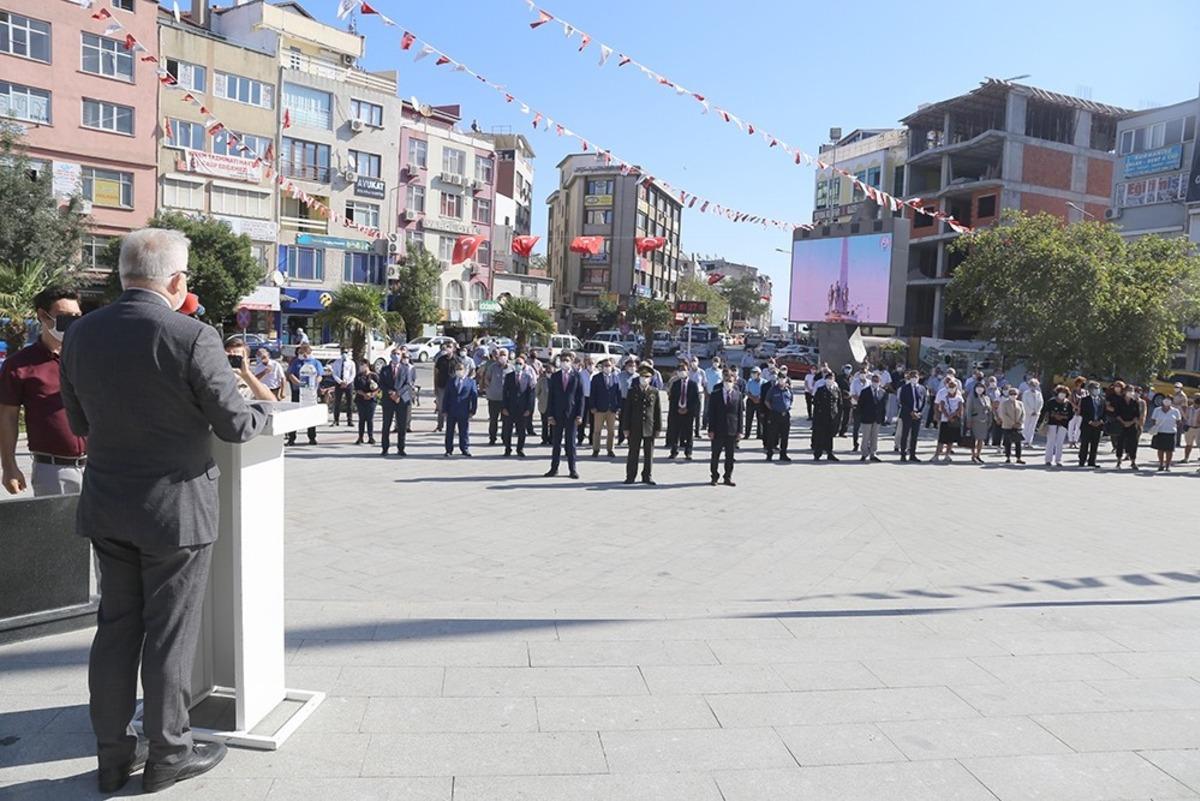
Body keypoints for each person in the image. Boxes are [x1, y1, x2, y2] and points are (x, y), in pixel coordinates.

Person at [59, 229, 269, 793]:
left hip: (108, 505)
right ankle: (169, 754)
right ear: (177, 281)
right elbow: (235, 424)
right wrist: (262, 412)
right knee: (169, 637)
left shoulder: (79, 334)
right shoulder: (192, 335)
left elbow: (79, 423)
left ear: (123, 275)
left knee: (115, 632)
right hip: (176, 513)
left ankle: (112, 757)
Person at [0, 285, 86, 496]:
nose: (72, 324)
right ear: (43, 316)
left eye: (77, 317)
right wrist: (9, 466)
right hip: (53, 471)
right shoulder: (19, 365)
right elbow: (8, 416)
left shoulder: (91, 357)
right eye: (65, 317)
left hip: (100, 467)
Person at [545, 351, 584, 479]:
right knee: (556, 443)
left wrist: (579, 415)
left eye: (567, 360)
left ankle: (573, 469)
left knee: (571, 443)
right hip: (557, 415)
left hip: (571, 415)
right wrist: (550, 415)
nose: (565, 362)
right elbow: (551, 397)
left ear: (571, 361)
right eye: (563, 360)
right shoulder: (555, 376)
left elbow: (580, 397)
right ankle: (554, 468)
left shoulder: (577, 376)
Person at [623, 362, 662, 485]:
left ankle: (647, 476)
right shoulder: (632, 391)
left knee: (648, 454)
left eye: (647, 377)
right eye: (642, 376)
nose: (644, 379)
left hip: (649, 427)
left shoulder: (654, 391)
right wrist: (625, 427)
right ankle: (630, 476)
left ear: (650, 379)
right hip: (635, 426)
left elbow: (657, 411)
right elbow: (627, 411)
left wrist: (658, 428)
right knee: (633, 452)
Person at [706, 367, 744, 485]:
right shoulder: (715, 394)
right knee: (715, 455)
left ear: (734, 381)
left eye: (730, 381)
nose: (728, 383)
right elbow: (711, 413)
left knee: (730, 456)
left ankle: (728, 477)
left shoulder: (738, 395)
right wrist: (711, 429)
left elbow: (740, 414)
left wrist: (740, 431)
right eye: (726, 380)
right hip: (718, 429)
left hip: (732, 430)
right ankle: (714, 477)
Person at [285, 343, 322, 446]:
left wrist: (315, 383)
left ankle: (312, 437)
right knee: (294, 415)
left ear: (309, 352)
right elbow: (290, 374)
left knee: (311, 415)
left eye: (305, 352)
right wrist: (299, 383)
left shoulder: (315, 362)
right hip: (298, 392)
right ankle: (292, 438)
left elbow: (320, 375)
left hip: (310, 393)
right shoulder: (296, 362)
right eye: (301, 352)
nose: (303, 355)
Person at [379, 350, 415, 457]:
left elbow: (408, 384)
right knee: (386, 424)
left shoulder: (405, 368)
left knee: (402, 425)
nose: (396, 356)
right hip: (388, 399)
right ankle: (385, 448)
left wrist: (398, 394)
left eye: (398, 354)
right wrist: (390, 393)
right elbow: (381, 383)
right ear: (390, 355)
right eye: (394, 354)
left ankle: (401, 448)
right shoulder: (385, 369)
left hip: (401, 400)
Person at [442, 359, 478, 457]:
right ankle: (449, 449)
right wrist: (444, 409)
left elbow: (474, 398)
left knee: (464, 431)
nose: (459, 371)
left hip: (464, 410)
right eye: (457, 369)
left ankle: (464, 448)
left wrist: (473, 411)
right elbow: (446, 396)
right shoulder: (451, 381)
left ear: (465, 370)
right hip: (451, 410)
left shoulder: (471, 382)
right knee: (450, 431)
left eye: (460, 369)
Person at [501, 354, 535, 457]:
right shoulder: (509, 376)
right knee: (507, 430)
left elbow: (531, 394)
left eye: (520, 363)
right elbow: (504, 393)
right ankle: (507, 449)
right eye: (516, 363)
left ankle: (520, 449)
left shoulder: (528, 377)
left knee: (521, 431)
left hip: (522, 409)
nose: (518, 365)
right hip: (510, 408)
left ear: (524, 365)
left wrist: (529, 409)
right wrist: (504, 407)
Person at [222, 338, 276, 402]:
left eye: (237, 358)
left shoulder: (253, 388)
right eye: (228, 358)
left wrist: (246, 374)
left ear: (247, 362)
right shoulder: (215, 383)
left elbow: (272, 403)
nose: (231, 361)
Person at [666, 361, 700, 460]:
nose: (682, 372)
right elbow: (672, 399)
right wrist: (677, 409)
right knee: (675, 432)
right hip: (677, 412)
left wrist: (688, 409)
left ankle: (688, 452)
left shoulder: (693, 384)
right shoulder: (675, 384)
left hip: (688, 412)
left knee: (688, 433)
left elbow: (695, 400)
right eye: (680, 370)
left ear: (688, 371)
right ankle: (674, 451)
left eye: (684, 370)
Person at [590, 358, 621, 457]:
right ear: (602, 367)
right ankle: (596, 449)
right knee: (597, 431)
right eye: (605, 366)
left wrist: (619, 407)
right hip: (599, 409)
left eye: (609, 365)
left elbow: (618, 393)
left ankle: (610, 450)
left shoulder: (616, 377)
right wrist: (592, 406)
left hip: (612, 409)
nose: (607, 367)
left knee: (611, 431)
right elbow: (592, 393)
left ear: (612, 366)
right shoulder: (596, 378)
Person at [481, 348, 512, 446]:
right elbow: (487, 379)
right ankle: (492, 438)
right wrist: (490, 387)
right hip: (494, 398)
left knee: (506, 421)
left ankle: (505, 438)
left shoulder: (511, 368)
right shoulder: (492, 367)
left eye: (504, 354)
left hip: (507, 399)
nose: (502, 356)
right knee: (493, 420)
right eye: (501, 354)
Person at [763, 366, 794, 462]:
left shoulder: (788, 390)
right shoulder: (773, 389)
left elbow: (791, 400)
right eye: (780, 378)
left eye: (783, 378)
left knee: (785, 436)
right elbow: (767, 401)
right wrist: (773, 409)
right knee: (772, 435)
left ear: (786, 379)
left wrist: (788, 407)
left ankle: (783, 454)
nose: (781, 380)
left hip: (785, 416)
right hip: (775, 415)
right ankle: (769, 454)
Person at [897, 370, 927, 463]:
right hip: (907, 414)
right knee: (905, 435)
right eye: (912, 377)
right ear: (909, 378)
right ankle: (903, 454)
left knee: (914, 436)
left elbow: (924, 401)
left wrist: (919, 412)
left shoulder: (922, 388)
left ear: (919, 377)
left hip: (917, 415)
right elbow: (902, 402)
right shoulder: (904, 388)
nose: (914, 378)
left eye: (916, 377)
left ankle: (912, 454)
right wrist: (911, 412)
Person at [857, 372, 887, 463]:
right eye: (874, 380)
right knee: (865, 437)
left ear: (880, 382)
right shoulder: (865, 391)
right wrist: (860, 416)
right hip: (866, 417)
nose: (875, 382)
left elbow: (883, 406)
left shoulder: (882, 392)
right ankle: (864, 454)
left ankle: (873, 454)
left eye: (877, 381)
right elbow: (860, 405)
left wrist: (883, 418)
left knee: (874, 437)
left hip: (877, 418)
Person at [1111, 384, 1142, 470]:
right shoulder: (1119, 401)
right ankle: (1119, 461)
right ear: (1124, 391)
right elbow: (1116, 414)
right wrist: (1123, 422)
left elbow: (1137, 415)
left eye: (1132, 390)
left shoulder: (1135, 402)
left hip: (1132, 425)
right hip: (1121, 425)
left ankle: (1133, 461)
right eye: (1129, 390)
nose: (1131, 392)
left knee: (1133, 443)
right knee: (1120, 443)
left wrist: (1131, 422)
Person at [811, 371, 840, 461]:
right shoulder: (820, 390)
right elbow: (815, 403)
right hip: (822, 416)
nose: (830, 380)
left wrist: (838, 417)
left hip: (832, 416)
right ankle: (817, 454)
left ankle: (829, 453)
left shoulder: (836, 390)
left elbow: (839, 404)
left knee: (830, 436)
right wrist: (816, 417)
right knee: (820, 435)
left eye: (831, 378)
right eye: (828, 378)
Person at [1040, 385, 1072, 467]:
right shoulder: (1051, 402)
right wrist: (1053, 415)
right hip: (1052, 423)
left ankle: (1058, 460)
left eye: (1064, 393)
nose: (1062, 394)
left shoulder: (1068, 403)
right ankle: (1048, 460)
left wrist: (1063, 417)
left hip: (1063, 424)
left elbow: (1071, 415)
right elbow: (1046, 412)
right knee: (1050, 441)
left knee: (1060, 443)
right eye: (1061, 392)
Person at [934, 379, 964, 463]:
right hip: (945, 420)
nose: (951, 388)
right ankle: (936, 455)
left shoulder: (959, 397)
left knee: (951, 440)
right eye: (950, 387)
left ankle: (947, 455)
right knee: (941, 439)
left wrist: (953, 415)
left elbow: (960, 408)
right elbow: (942, 407)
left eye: (953, 387)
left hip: (954, 420)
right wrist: (947, 416)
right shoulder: (944, 396)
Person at [1078, 381, 1106, 468]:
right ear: (1090, 390)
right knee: (1085, 443)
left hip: (1098, 425)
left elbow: (1104, 413)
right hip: (1087, 425)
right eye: (1095, 388)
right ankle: (1082, 461)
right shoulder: (1084, 400)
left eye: (1098, 388)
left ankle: (1092, 461)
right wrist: (1090, 422)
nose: (1097, 390)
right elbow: (1082, 413)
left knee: (1095, 444)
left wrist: (1101, 421)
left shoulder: (1102, 400)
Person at [1149, 396, 1182, 472]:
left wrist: (1174, 426)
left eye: (1169, 400)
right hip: (1160, 432)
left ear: (1172, 402)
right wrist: (1155, 427)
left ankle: (1167, 465)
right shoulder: (1157, 410)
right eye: (1166, 399)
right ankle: (1161, 464)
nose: (1167, 401)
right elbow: (1153, 419)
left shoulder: (1175, 411)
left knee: (1169, 450)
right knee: (1160, 449)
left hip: (1171, 432)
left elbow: (1178, 421)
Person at [998, 386, 1027, 464]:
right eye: (1011, 394)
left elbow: (1023, 414)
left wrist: (1019, 422)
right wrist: (1012, 423)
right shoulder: (1005, 403)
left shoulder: (1020, 403)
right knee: (1008, 442)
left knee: (1018, 443)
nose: (1013, 395)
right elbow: (1003, 414)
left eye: (1015, 394)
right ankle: (1008, 457)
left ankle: (1018, 457)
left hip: (1018, 426)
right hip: (1008, 426)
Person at [353, 360, 379, 445]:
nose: (361, 367)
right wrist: (364, 394)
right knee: (362, 419)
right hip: (360, 400)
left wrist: (372, 394)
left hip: (371, 400)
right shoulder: (358, 376)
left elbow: (379, 388)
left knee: (369, 419)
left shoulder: (374, 376)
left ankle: (371, 437)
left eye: (362, 365)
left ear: (367, 365)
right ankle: (360, 437)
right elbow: (356, 388)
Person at [432, 340, 456, 432]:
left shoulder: (457, 360)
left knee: (452, 407)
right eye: (447, 346)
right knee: (441, 407)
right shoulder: (440, 360)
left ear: (453, 349)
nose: (448, 348)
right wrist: (435, 387)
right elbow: (436, 373)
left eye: (450, 347)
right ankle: (440, 426)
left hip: (453, 387)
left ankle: (452, 427)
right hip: (441, 386)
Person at [966, 382, 992, 464]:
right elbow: (968, 410)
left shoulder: (986, 398)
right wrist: (969, 421)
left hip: (984, 421)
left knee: (981, 439)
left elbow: (990, 410)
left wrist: (990, 420)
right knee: (973, 439)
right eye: (978, 387)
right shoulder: (971, 397)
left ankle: (978, 455)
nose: (980, 389)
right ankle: (973, 455)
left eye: (981, 387)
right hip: (975, 420)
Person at [329, 348, 356, 427]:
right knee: (337, 402)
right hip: (339, 384)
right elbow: (334, 373)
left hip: (348, 384)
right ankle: (336, 420)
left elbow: (353, 374)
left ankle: (349, 420)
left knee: (349, 403)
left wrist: (347, 382)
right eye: (343, 352)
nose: (344, 354)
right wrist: (340, 382)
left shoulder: (351, 363)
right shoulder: (336, 362)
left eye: (346, 352)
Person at [1021, 379, 1044, 447]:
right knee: (1026, 426)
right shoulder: (1026, 393)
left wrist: (1036, 411)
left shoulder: (1039, 393)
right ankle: (1024, 441)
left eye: (1035, 385)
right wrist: (1031, 411)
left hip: (1036, 413)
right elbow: (1025, 403)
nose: (1033, 386)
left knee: (1032, 428)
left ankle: (1029, 442)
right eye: (1032, 385)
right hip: (1027, 413)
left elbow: (1041, 403)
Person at [1066, 376, 1087, 449]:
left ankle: (1075, 441)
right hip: (1073, 411)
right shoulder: (1073, 391)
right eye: (1081, 382)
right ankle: (1070, 441)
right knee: (1071, 426)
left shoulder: (1085, 392)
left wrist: (1080, 408)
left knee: (1079, 427)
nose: (1082, 383)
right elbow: (1069, 400)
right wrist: (1075, 406)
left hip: (1081, 411)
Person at [743, 366, 763, 439]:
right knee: (748, 418)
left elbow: (765, 392)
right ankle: (747, 434)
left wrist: (759, 398)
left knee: (760, 418)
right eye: (752, 372)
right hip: (751, 401)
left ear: (759, 374)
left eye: (755, 373)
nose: (753, 374)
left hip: (760, 401)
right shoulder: (750, 381)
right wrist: (753, 398)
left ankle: (760, 434)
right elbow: (746, 392)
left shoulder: (764, 382)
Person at [536, 360, 553, 445]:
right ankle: (544, 438)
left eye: (551, 371)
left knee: (553, 423)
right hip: (544, 405)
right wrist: (541, 399)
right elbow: (537, 392)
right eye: (548, 371)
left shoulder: (555, 380)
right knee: (545, 423)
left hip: (553, 405)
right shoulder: (542, 380)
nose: (549, 373)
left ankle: (552, 438)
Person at [1183, 396, 1200, 464]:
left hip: (1198, 429)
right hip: (1189, 427)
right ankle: (1186, 458)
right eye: (1196, 404)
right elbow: (1185, 417)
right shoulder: (1189, 408)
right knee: (1188, 444)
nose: (1197, 405)